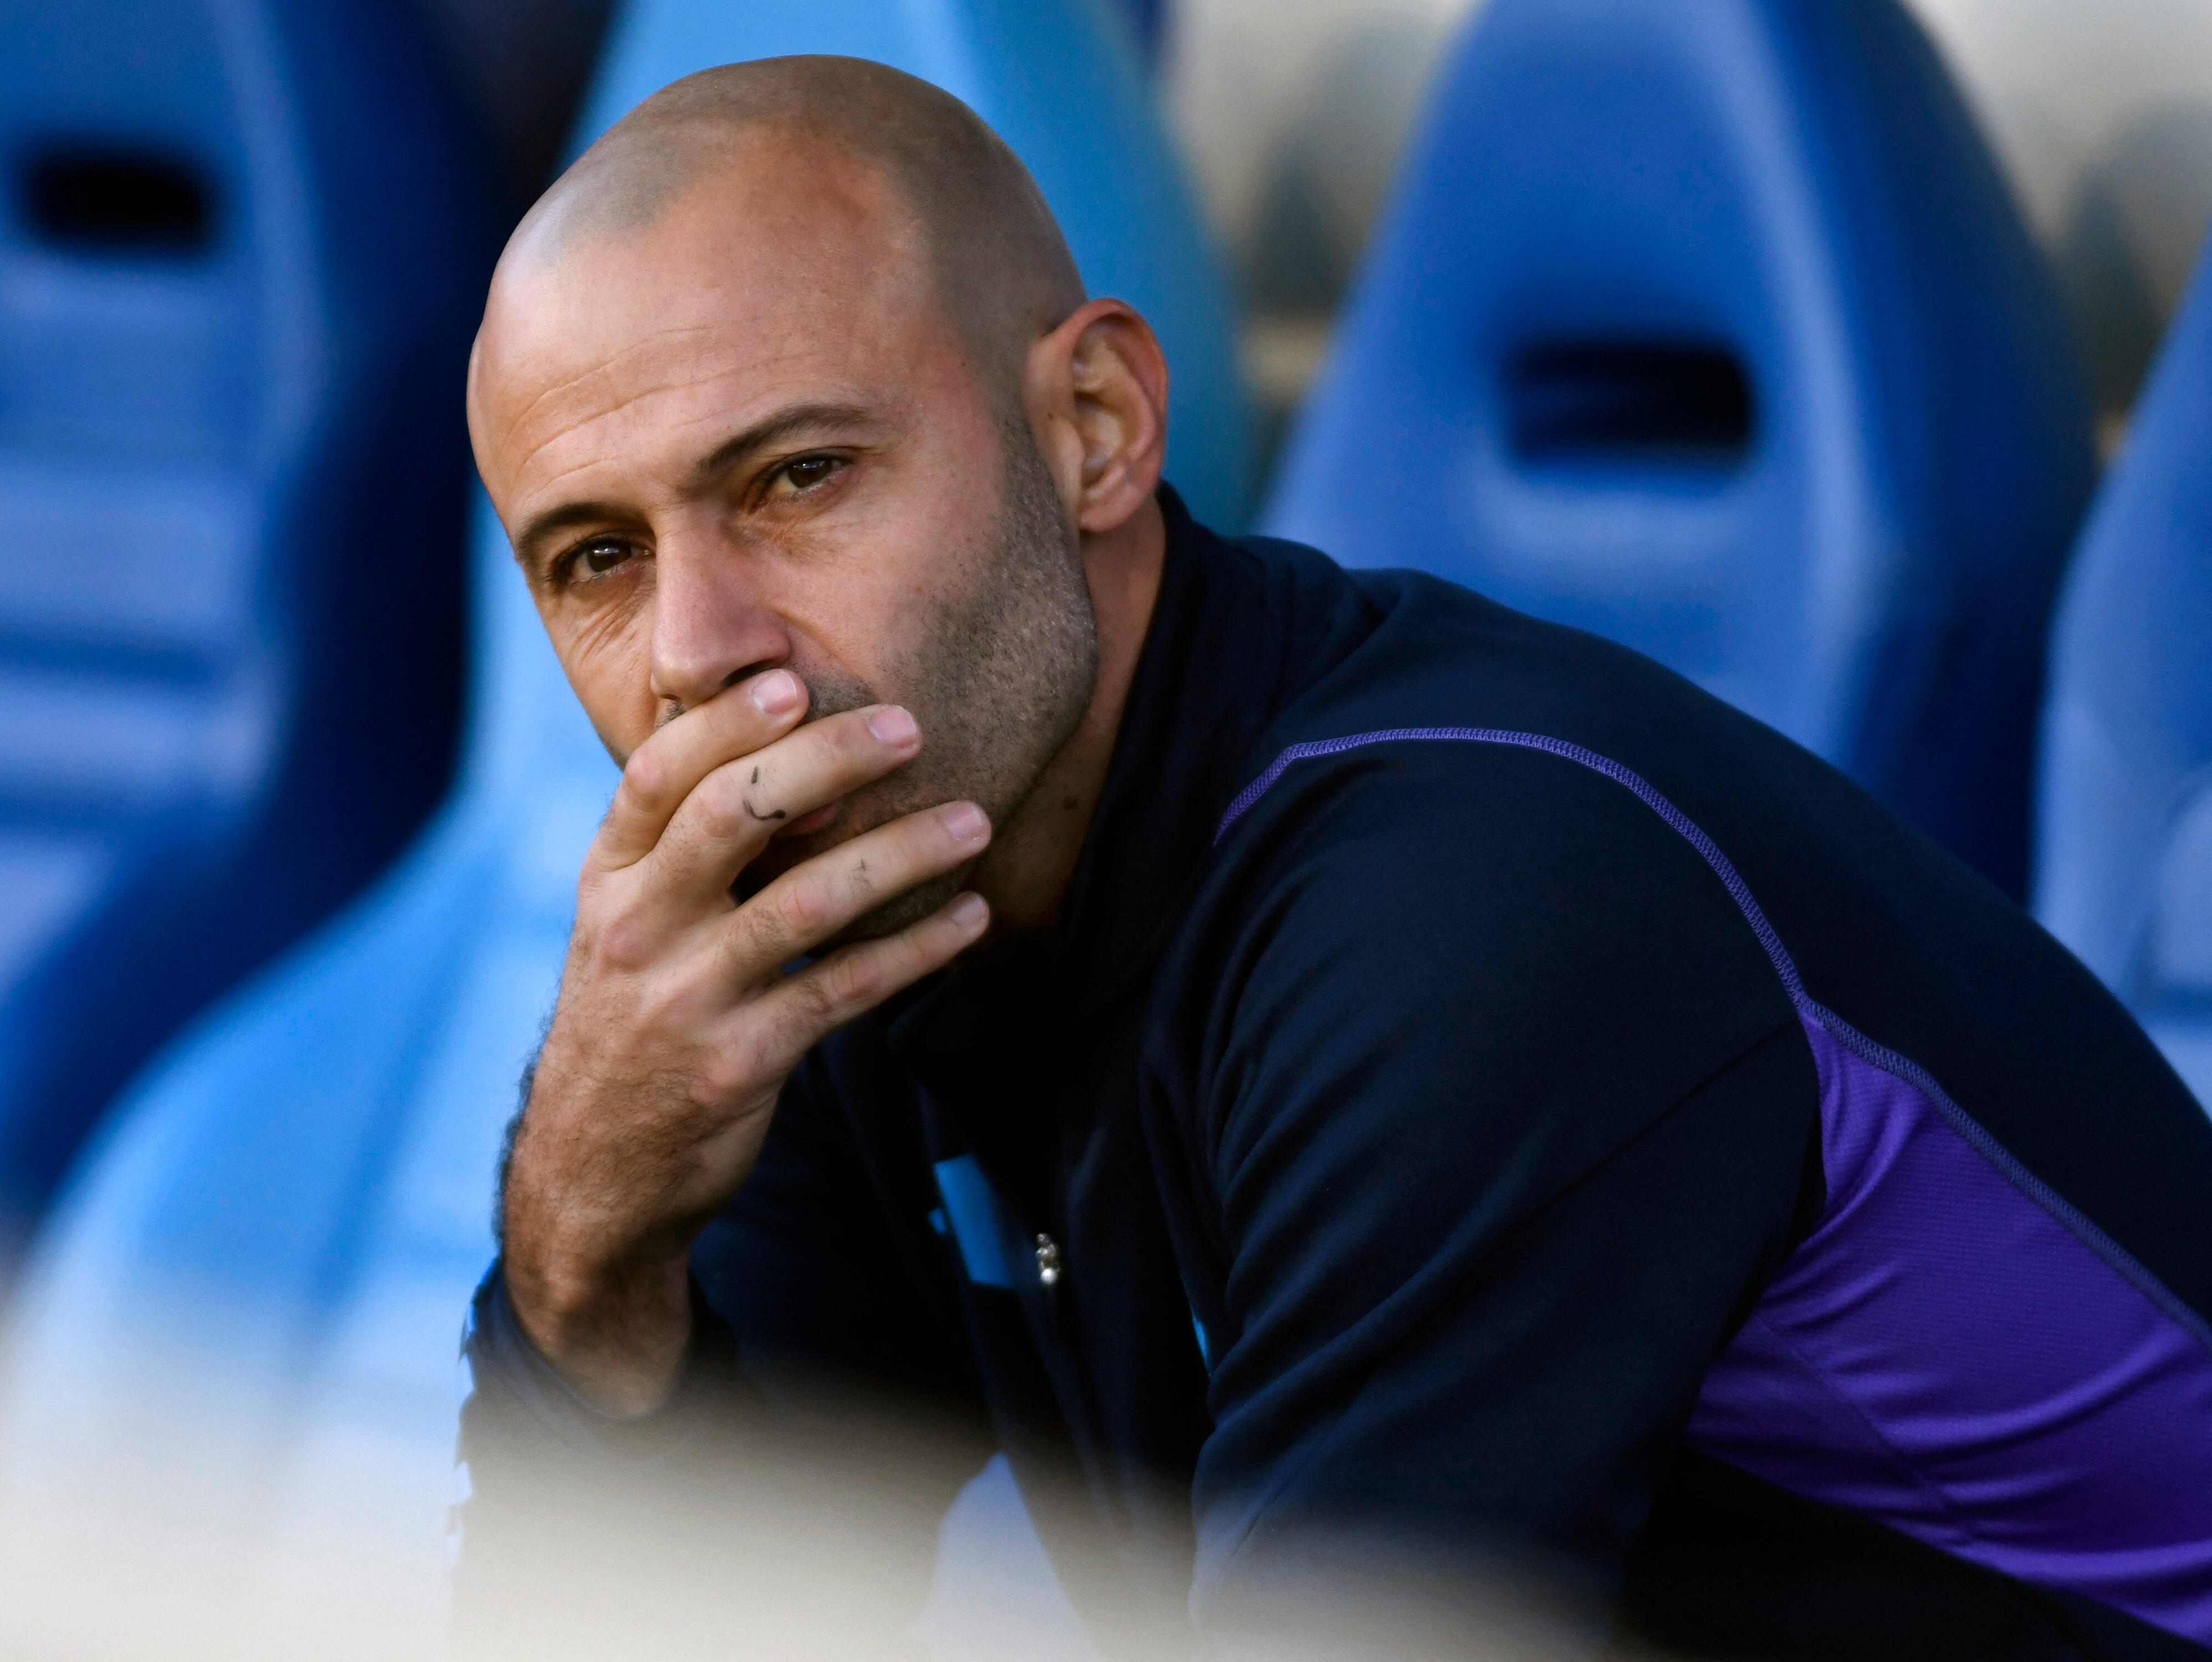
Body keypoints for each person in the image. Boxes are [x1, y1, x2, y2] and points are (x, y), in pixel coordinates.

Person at [457, 54, 2212, 1661]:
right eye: (596, 559)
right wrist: (589, 1252)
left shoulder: (1472, 909)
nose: (701, 650)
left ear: (1098, 430)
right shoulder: (869, 888)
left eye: (797, 477)